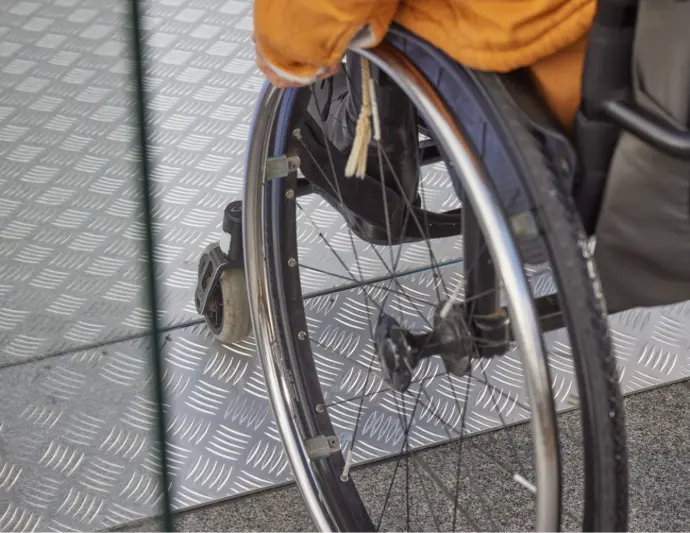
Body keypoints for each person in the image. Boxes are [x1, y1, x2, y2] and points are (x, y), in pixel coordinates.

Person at [252, 0, 690, 315]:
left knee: (331, 35)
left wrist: (287, 46)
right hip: (659, 84)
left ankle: (373, 172)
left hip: (550, 83)